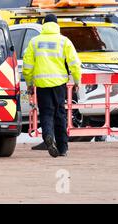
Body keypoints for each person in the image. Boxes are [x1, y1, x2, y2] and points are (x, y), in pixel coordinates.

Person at [22, 14, 81, 158]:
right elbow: (74, 63)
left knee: (47, 113)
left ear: (43, 24)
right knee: (60, 114)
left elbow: (27, 66)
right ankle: (62, 148)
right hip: (59, 84)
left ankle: (48, 136)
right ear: (56, 24)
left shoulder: (35, 42)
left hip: (42, 85)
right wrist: (77, 81)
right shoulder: (64, 41)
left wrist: (29, 84)